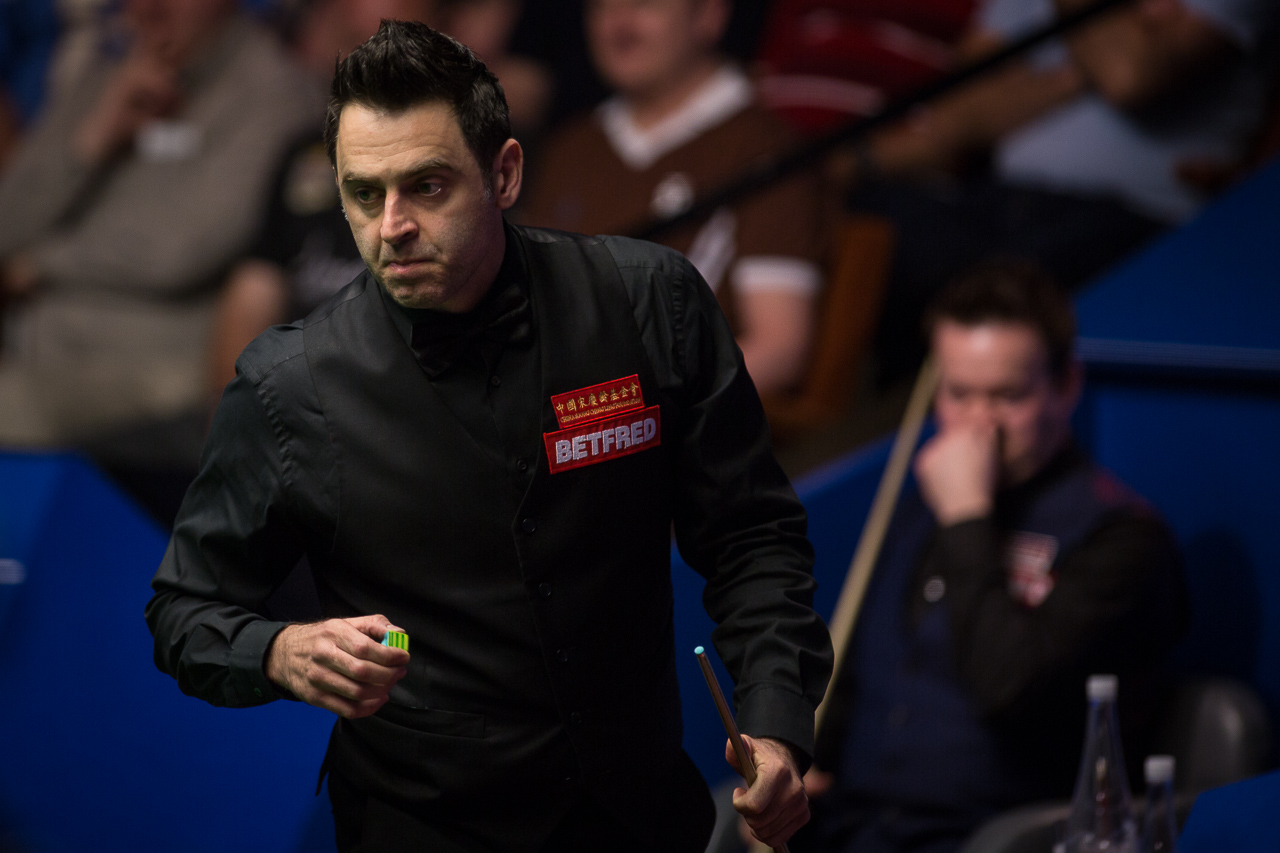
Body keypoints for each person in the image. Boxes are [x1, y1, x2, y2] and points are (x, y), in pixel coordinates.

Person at [145, 20, 833, 853]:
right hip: (423, 830)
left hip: (641, 819)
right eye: (363, 193)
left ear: (504, 173)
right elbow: (184, 613)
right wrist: (279, 651)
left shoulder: (651, 305)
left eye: (426, 186)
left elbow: (752, 537)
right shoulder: (289, 385)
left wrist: (775, 724)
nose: (391, 225)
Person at [790, 263, 1188, 853]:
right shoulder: (918, 508)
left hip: (993, 839)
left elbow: (1007, 689)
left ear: (1066, 386)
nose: (979, 422)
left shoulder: (1122, 539)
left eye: (1007, 396)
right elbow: (855, 676)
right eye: (958, 393)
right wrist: (799, 768)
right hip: (854, 829)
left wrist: (967, 519)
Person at [844, 0, 1279, 382]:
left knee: (1001, 287)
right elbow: (957, 108)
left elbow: (1129, 76)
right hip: (1000, 199)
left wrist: (1051, 74)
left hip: (1142, 222)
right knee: (875, 229)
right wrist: (1086, 70)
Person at [0, 0, 318, 448]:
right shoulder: (107, 72)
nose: (148, 7)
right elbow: (6, 225)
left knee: (11, 407)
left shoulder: (277, 93)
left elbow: (179, 251)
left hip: (154, 370)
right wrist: (91, 140)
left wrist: (39, 265)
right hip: (30, 346)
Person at [519, 0, 827, 398]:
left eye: (645, 3)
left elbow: (778, 348)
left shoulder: (762, 147)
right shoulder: (570, 147)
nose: (619, 23)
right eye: (601, 5)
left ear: (709, 15)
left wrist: (610, 410)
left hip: (663, 424)